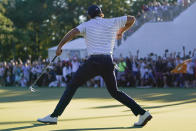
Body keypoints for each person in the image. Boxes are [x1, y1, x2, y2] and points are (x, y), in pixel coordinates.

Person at [37, 5, 152, 126]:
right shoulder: (112, 21)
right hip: (108, 61)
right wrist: (121, 31)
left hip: (94, 61)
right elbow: (132, 19)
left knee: (72, 85)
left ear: (89, 15)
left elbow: (72, 33)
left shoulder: (86, 25)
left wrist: (60, 47)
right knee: (115, 92)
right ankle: (142, 113)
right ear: (101, 13)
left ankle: (54, 116)